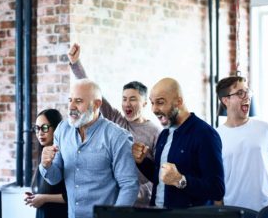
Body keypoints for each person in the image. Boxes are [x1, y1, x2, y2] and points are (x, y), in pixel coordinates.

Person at [68, 43, 161, 206]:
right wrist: (76, 64)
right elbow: (92, 93)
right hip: (113, 202)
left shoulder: (156, 133)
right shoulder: (116, 119)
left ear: (145, 103)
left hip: (142, 206)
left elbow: (160, 176)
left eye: (133, 99)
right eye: (124, 99)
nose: (127, 104)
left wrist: (138, 192)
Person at [39, 79, 139, 218]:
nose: (71, 107)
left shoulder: (117, 137)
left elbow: (129, 185)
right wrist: (46, 165)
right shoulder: (62, 130)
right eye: (70, 100)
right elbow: (54, 179)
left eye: (78, 101)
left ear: (97, 104)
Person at [132, 77, 225, 208]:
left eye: (160, 102)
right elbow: (161, 178)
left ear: (179, 102)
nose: (154, 109)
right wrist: (142, 162)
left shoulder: (205, 134)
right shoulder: (164, 134)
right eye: (152, 103)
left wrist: (180, 180)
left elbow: (217, 190)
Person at [216, 75, 268, 211]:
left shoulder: (266, 128)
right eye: (240, 93)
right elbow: (215, 178)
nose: (247, 97)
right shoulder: (215, 136)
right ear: (225, 100)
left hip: (267, 209)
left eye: (247, 92)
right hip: (234, 211)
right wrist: (220, 209)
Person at [24, 109, 67, 218]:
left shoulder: (64, 156)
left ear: (56, 129)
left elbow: (70, 195)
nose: (40, 133)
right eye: (37, 128)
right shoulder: (44, 154)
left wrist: (43, 198)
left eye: (45, 127)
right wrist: (35, 197)